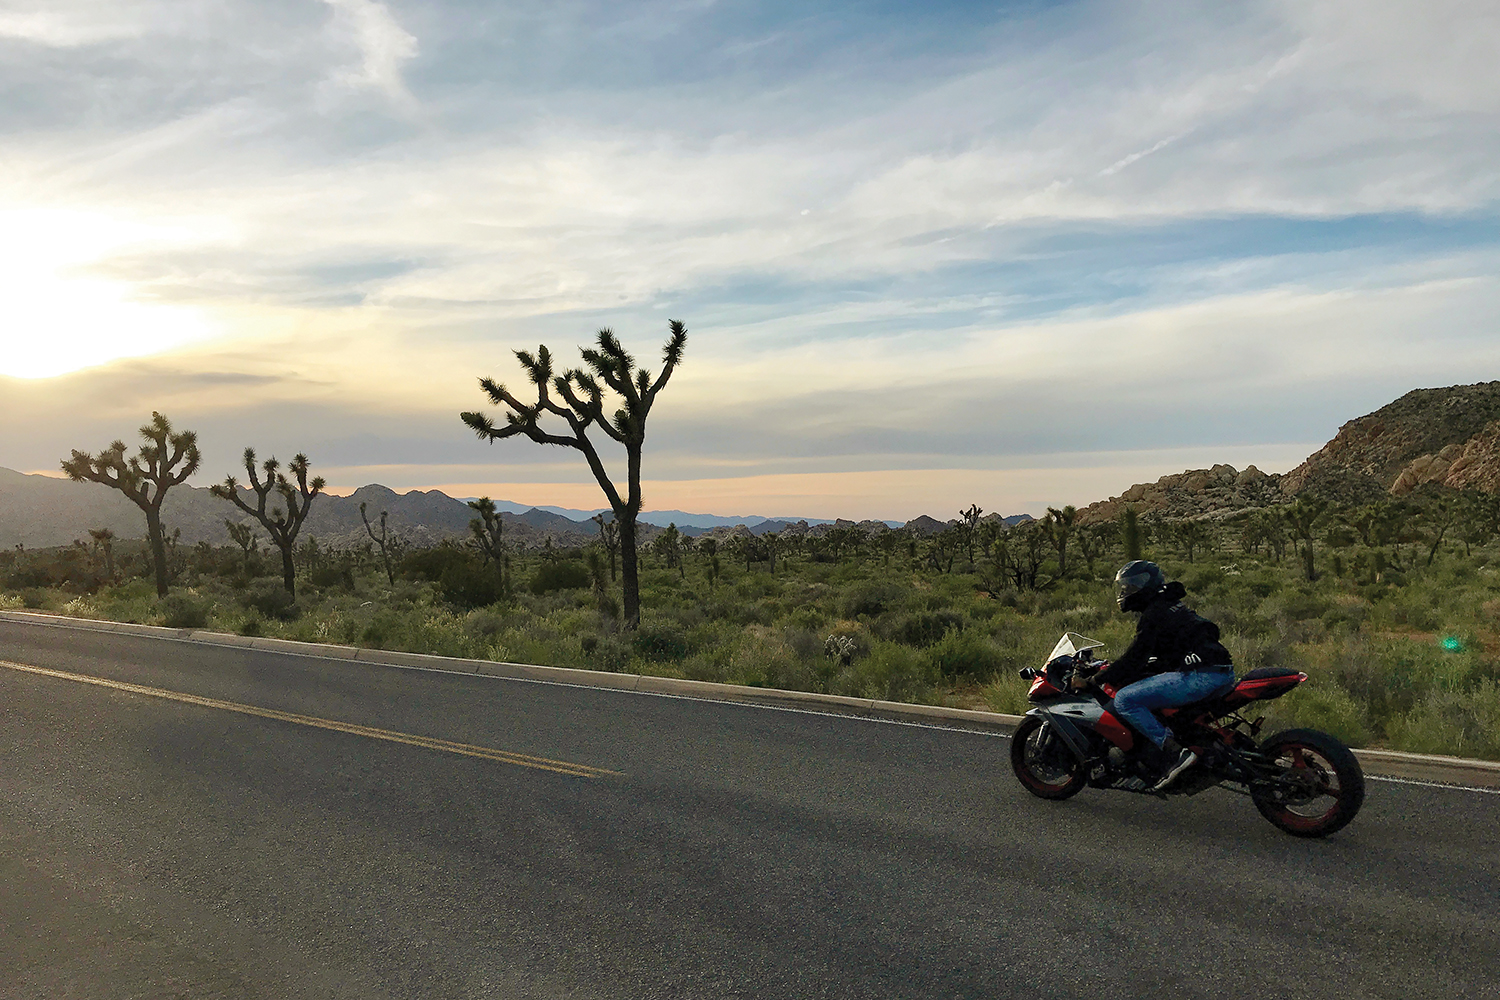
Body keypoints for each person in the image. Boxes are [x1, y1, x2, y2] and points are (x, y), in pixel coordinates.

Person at [1073, 560, 1235, 791]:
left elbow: (1135, 657)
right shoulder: (1170, 605)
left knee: (1125, 699)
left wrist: (1094, 679)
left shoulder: (1154, 613)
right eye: (1125, 587)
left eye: (1130, 586)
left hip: (1201, 676)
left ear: (1145, 586)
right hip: (1220, 672)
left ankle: (1174, 752)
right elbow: (1161, 653)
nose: (1125, 592)